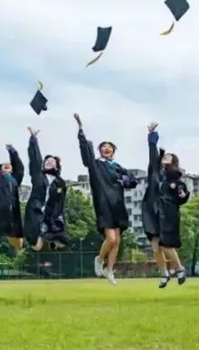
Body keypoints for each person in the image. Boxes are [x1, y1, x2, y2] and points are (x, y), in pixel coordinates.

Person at [74, 113, 138, 285]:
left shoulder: (118, 167)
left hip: (118, 204)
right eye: (104, 147)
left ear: (114, 151)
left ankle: (110, 271)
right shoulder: (95, 164)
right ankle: (99, 259)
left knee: (117, 240)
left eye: (110, 147)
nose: (107, 149)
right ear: (100, 150)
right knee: (110, 239)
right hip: (104, 203)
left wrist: (124, 180)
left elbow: (133, 181)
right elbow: (85, 152)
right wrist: (81, 129)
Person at [142, 122, 191, 289]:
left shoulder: (175, 178)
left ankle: (179, 268)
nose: (165, 157)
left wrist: (183, 194)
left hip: (167, 211)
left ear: (174, 161)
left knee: (165, 243)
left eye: (169, 157)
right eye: (164, 156)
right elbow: (152, 152)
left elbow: (182, 195)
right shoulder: (154, 172)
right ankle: (164, 273)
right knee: (155, 243)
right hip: (152, 209)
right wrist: (152, 135)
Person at [24, 127, 68, 251]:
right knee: (36, 246)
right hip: (36, 210)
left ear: (57, 166)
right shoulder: (38, 175)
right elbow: (34, 159)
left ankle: (51, 238)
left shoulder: (60, 182)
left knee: (61, 242)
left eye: (52, 161)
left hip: (51, 213)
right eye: (47, 161)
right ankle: (41, 238)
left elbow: (60, 202)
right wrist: (33, 140)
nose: (49, 162)